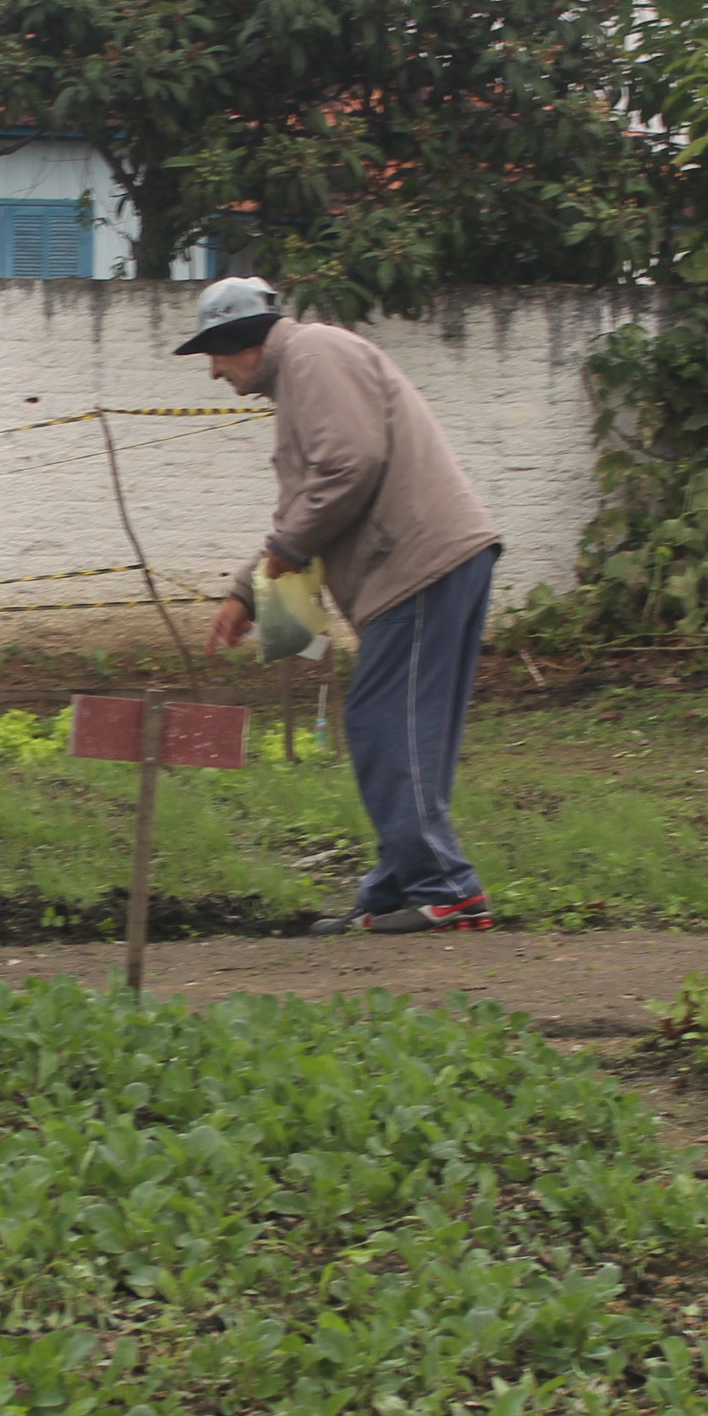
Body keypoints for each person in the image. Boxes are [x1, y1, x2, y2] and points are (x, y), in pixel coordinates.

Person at [191, 279, 507, 933]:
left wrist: (284, 552)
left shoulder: (314, 355)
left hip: (417, 564)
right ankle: (399, 887)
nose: (214, 371)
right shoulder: (302, 373)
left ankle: (447, 889)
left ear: (240, 340)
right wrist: (246, 591)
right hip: (431, 561)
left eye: (214, 354)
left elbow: (350, 466)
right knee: (406, 730)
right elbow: (306, 500)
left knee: (383, 722)